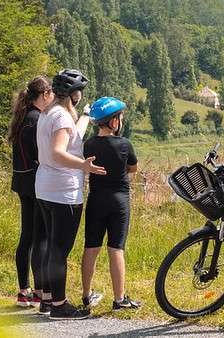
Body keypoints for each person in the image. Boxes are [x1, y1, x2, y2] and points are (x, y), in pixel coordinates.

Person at [35, 68, 106, 320]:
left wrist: (85, 115)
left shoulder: (49, 113)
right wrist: (83, 166)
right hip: (63, 190)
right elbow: (58, 152)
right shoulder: (61, 118)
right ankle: (60, 305)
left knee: (49, 246)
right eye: (80, 92)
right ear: (73, 93)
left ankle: (46, 300)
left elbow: (72, 135)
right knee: (59, 250)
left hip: (44, 187)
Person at [81, 97, 142, 311]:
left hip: (96, 200)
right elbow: (133, 169)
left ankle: (87, 295)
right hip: (119, 200)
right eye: (120, 117)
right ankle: (119, 299)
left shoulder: (88, 144)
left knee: (91, 247)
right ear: (113, 122)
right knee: (116, 248)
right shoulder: (124, 144)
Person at [7, 76, 54, 309]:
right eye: (51, 94)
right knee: (40, 238)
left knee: (26, 237)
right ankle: (39, 291)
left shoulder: (23, 117)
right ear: (44, 95)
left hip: (21, 181)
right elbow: (43, 153)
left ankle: (23, 290)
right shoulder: (38, 120)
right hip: (36, 183)